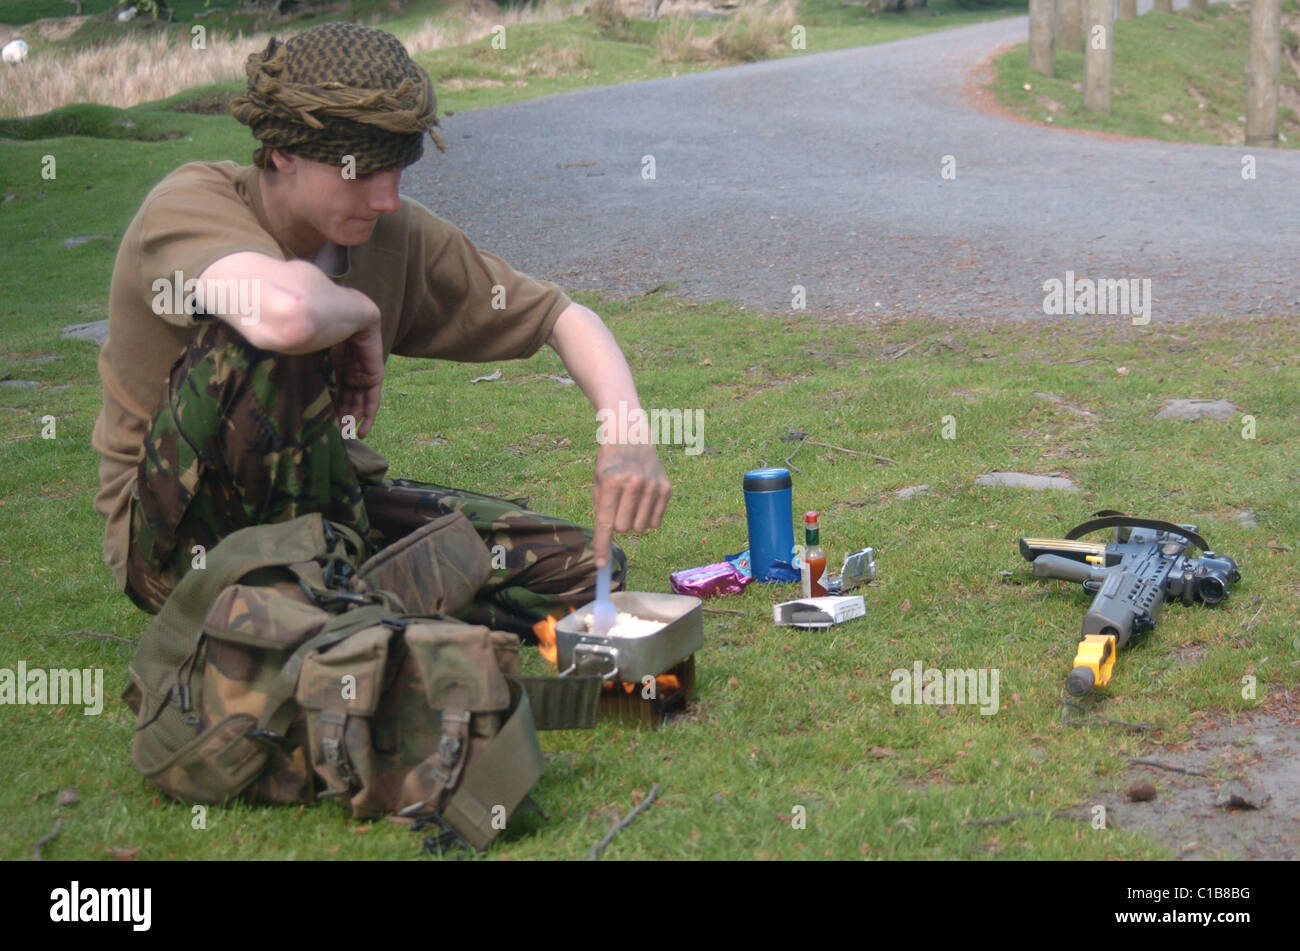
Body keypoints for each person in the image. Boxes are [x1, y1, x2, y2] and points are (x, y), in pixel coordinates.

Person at [91, 22, 671, 637]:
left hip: (332, 510)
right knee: (269, 337)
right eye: (359, 170)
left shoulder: (391, 234)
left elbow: (564, 318)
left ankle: (333, 611)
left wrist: (626, 430)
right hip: (179, 533)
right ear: (283, 151)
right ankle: (313, 611)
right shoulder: (191, 203)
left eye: (397, 169)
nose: (386, 198)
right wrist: (360, 313)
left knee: (577, 571)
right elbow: (284, 316)